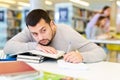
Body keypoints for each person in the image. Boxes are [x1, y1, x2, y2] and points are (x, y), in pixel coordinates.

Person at [4, 9, 106, 63]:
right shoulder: (29, 31)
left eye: (43, 30)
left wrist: (82, 57)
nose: (40, 38)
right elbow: (7, 47)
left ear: (52, 25)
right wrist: (35, 46)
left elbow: (100, 52)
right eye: (35, 34)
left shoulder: (67, 33)